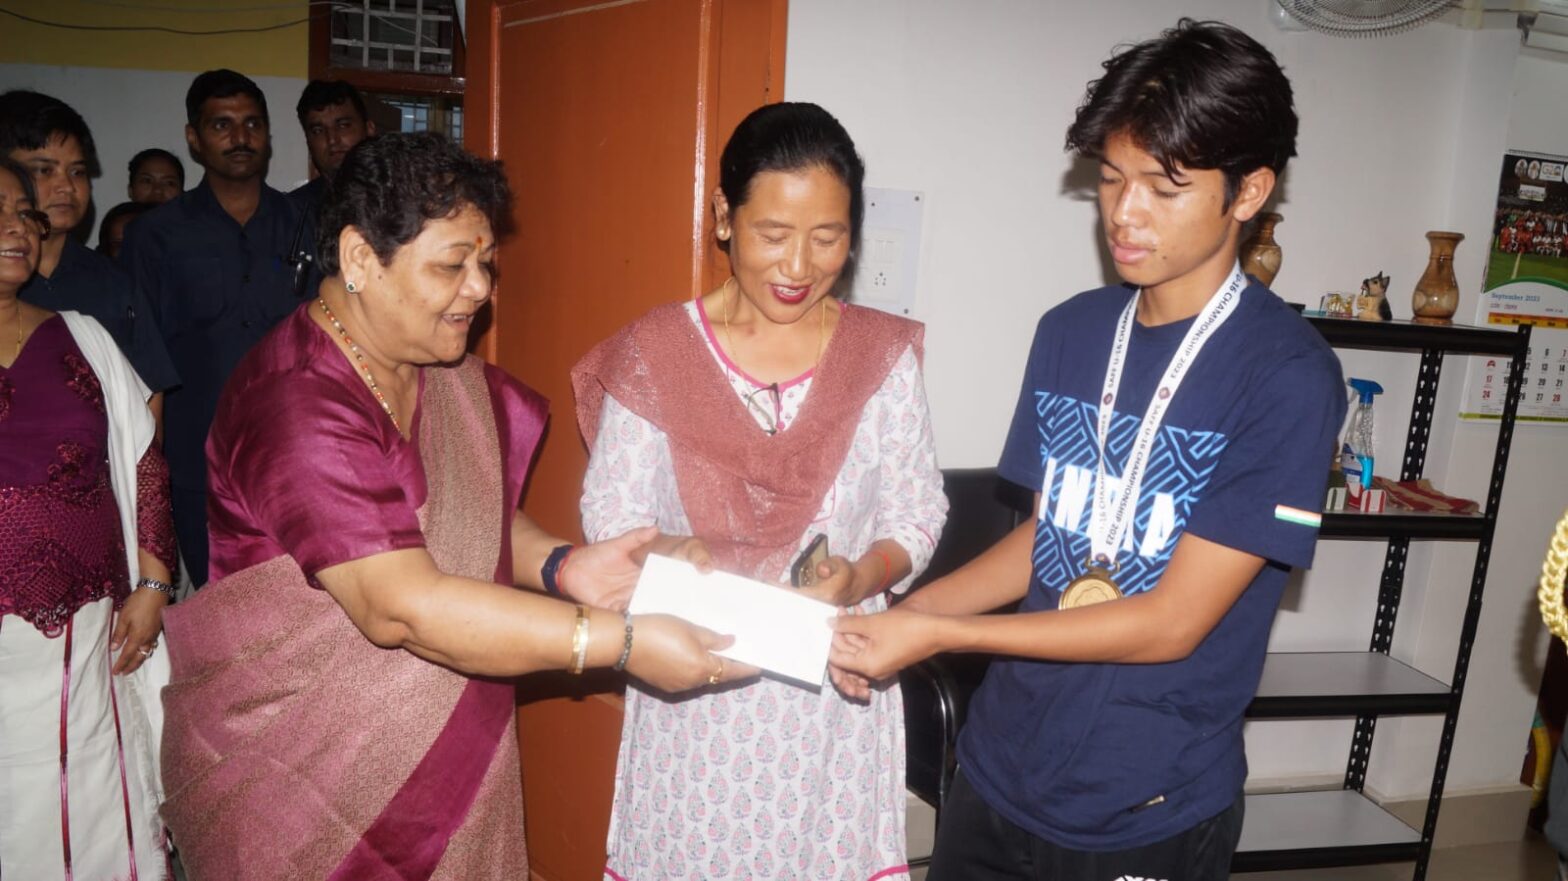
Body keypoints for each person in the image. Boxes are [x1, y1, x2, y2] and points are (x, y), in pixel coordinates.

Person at [828, 20, 1347, 881]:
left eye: (1164, 187)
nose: (1124, 213)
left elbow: (1172, 623)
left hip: (1145, 802)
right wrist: (903, 615)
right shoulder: (1071, 332)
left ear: (1249, 191)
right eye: (1110, 178)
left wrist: (934, 634)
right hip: (999, 766)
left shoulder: (1287, 376)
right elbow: (1048, 538)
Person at [158, 131, 747, 881]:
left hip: (436, 766)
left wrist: (565, 566)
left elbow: (464, 515)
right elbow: (402, 608)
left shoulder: (432, 368)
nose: (480, 289)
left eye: (486, 263)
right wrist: (623, 643)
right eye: (452, 265)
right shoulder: (297, 404)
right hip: (301, 783)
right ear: (360, 258)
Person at [573, 101, 947, 881]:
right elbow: (612, 520)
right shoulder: (657, 354)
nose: (799, 266)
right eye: (773, 234)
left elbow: (917, 510)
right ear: (723, 217)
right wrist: (668, 549)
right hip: (694, 686)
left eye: (828, 237)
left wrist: (862, 574)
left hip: (833, 696)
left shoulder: (879, 358)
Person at [0, 155, 177, 880]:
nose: (17, 227)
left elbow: (143, 462)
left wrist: (154, 584)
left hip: (87, 635)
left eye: (23, 213)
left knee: (91, 792)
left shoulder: (83, 337)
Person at [120, 69, 314, 586]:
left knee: (303, 598)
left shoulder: (307, 225)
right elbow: (140, 358)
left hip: (297, 452)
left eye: (252, 123)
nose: (240, 137)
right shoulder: (155, 236)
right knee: (219, 600)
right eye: (221, 125)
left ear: (268, 134)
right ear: (194, 138)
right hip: (197, 459)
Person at [0, 91, 179, 411]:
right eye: (44, 170)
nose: (66, 187)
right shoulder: (7, 280)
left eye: (77, 172)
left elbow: (149, 397)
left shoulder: (115, 283)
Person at [292, 79, 376, 211]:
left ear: (369, 130)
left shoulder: (399, 199)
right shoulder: (292, 212)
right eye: (318, 131)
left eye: (343, 125)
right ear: (308, 141)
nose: (332, 139)